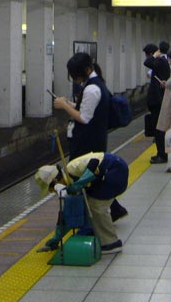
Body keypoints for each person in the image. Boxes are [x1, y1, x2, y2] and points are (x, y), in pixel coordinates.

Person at [53, 53, 128, 222]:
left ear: (86, 70)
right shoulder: (95, 84)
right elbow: (88, 109)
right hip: (93, 139)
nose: (76, 78)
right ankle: (113, 210)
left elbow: (84, 118)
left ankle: (83, 216)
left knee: (83, 177)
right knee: (91, 178)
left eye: (76, 75)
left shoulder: (92, 88)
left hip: (87, 142)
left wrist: (65, 106)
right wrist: (71, 104)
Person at [35, 151, 129, 254]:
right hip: (109, 174)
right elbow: (67, 211)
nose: (53, 192)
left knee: (96, 206)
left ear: (56, 182)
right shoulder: (70, 184)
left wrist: (80, 183)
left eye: (51, 189)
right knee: (87, 203)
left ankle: (111, 244)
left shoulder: (71, 167)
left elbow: (94, 162)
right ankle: (95, 232)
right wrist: (55, 239)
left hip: (116, 169)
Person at [143, 42, 171, 163]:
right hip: (159, 99)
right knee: (159, 128)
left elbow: (147, 63)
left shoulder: (161, 61)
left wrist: (154, 55)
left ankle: (162, 154)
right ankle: (161, 153)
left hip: (158, 100)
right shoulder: (162, 62)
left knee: (159, 128)